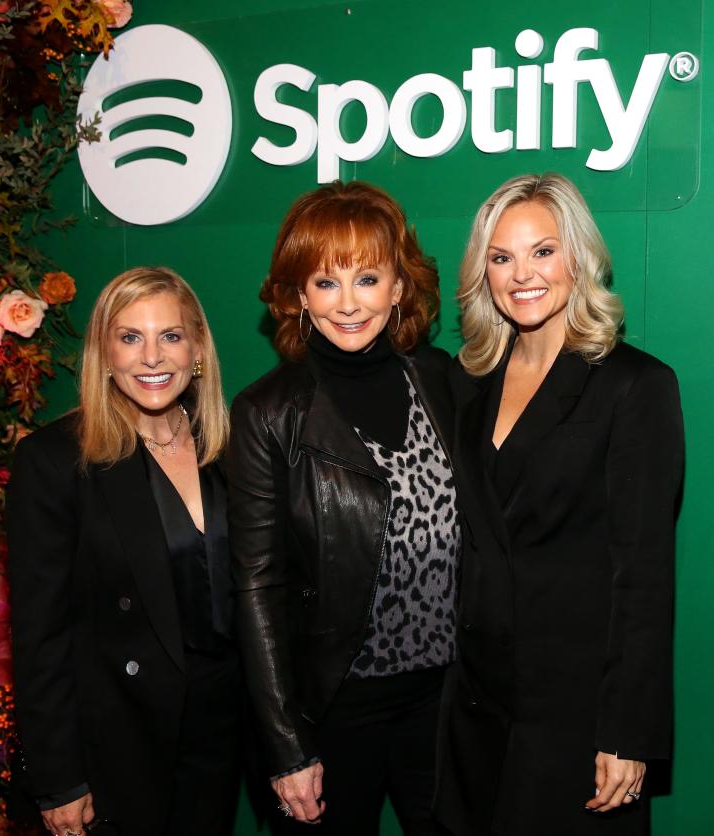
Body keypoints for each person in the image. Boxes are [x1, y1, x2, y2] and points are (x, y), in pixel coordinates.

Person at [435, 173, 684, 835]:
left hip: (576, 717)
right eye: (501, 257)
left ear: (579, 257)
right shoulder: (465, 381)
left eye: (543, 251)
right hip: (474, 711)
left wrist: (628, 732)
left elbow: (645, 575)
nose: (523, 274)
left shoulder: (635, 387)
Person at [226, 181, 458, 835]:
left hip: (442, 705)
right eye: (326, 283)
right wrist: (287, 745)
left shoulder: (441, 380)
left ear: (398, 286)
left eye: (367, 278)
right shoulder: (267, 413)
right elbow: (255, 585)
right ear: (299, 295)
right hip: (333, 708)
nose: (349, 303)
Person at [7, 267, 241, 836]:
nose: (152, 357)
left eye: (171, 336)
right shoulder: (55, 460)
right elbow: (39, 636)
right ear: (105, 355)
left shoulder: (230, 447)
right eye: (131, 337)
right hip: (115, 739)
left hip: (219, 729)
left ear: (198, 351)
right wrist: (59, 776)